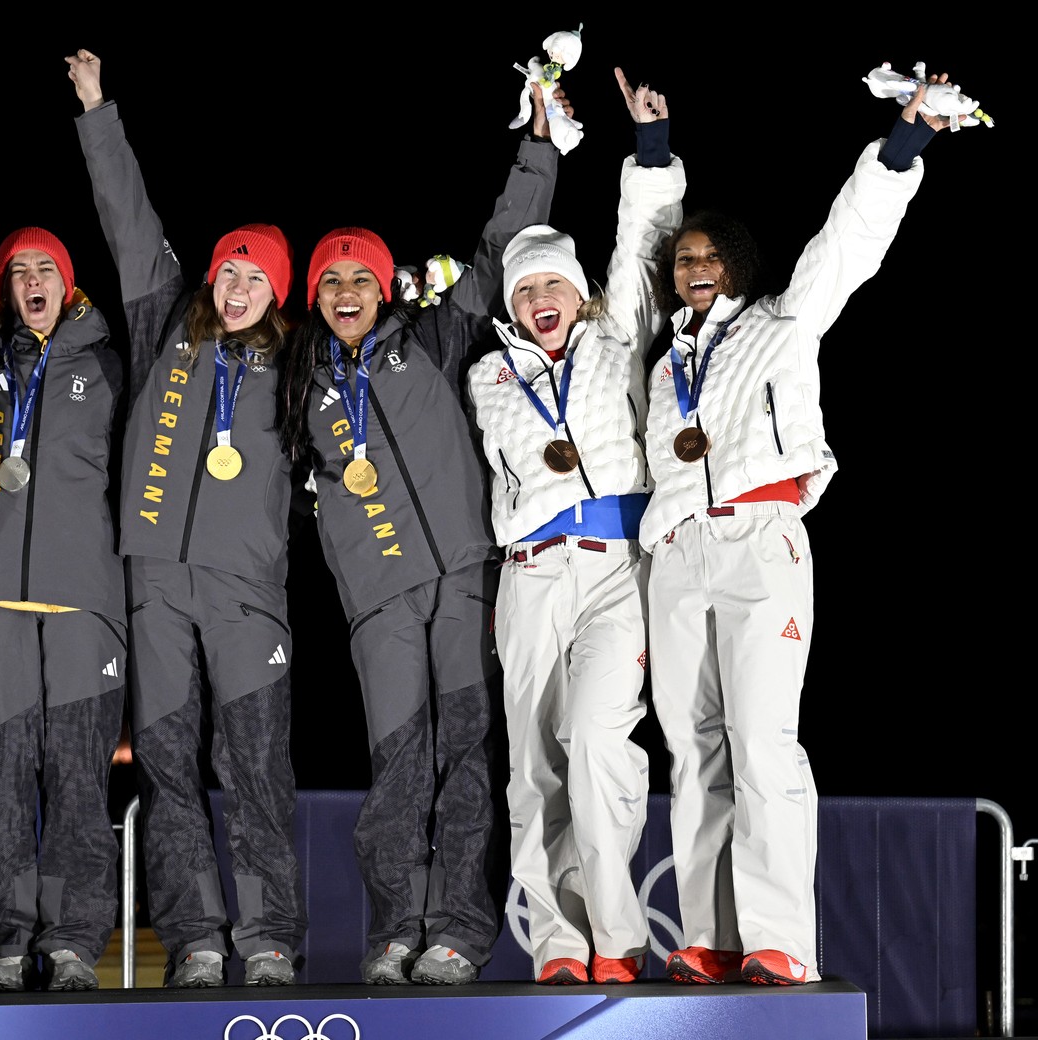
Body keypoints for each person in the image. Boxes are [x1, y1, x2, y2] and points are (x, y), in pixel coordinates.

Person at [641, 72, 959, 986]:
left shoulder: (783, 324)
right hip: (679, 555)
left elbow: (850, 240)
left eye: (708, 258)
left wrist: (906, 143)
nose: (693, 270)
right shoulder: (664, 370)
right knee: (693, 747)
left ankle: (780, 939)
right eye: (682, 262)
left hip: (762, 541)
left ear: (736, 264)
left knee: (763, 740)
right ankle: (709, 934)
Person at [279, 73, 566, 987]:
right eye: (332, 279)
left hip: (465, 575)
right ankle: (395, 929)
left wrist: (539, 147)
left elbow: (494, 249)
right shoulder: (296, 386)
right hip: (380, 603)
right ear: (317, 295)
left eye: (362, 275)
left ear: (384, 284)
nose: (348, 289)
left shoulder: (433, 340)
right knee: (398, 768)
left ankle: (458, 932)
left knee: (469, 758)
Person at [67, 48, 305, 988]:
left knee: (254, 766)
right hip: (154, 579)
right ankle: (198, 938)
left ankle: (270, 936)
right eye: (230, 272)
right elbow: (128, 218)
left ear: (278, 293)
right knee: (167, 764)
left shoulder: (301, 365)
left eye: (257, 278)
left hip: (248, 589)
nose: (239, 288)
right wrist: (97, 111)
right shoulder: (167, 318)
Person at [465, 68, 685, 985]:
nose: (539, 299)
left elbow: (644, 240)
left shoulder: (613, 337)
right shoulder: (484, 378)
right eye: (525, 290)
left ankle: (618, 934)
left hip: (614, 569)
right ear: (512, 303)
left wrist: (651, 149)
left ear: (576, 290)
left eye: (553, 283)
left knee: (597, 741)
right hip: (526, 576)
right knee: (532, 770)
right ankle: (557, 946)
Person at [0, 226, 126, 992]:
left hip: (87, 598)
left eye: (44, 267)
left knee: (80, 781)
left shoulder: (112, 360)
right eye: (16, 270)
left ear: (69, 282)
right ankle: (6, 942)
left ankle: (73, 945)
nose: (31, 280)